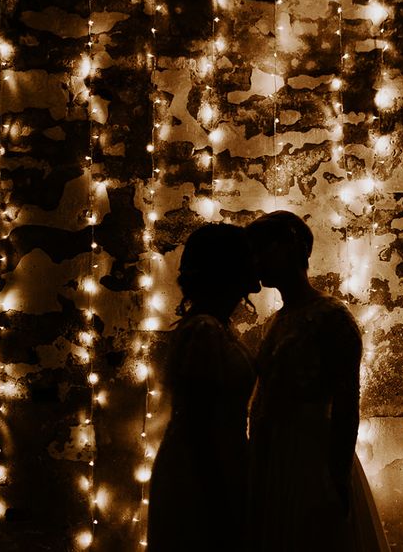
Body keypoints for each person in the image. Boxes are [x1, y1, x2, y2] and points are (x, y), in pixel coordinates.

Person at [246, 210, 388, 552]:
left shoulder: (332, 318)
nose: (256, 261)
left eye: (263, 249)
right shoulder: (278, 320)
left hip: (311, 460)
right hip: (274, 460)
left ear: (288, 248)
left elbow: (346, 404)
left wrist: (335, 476)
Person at [147, 223, 259, 552]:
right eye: (248, 257)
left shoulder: (214, 326)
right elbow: (198, 423)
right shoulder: (205, 330)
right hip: (201, 474)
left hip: (218, 461)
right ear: (229, 269)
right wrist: (219, 493)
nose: (257, 264)